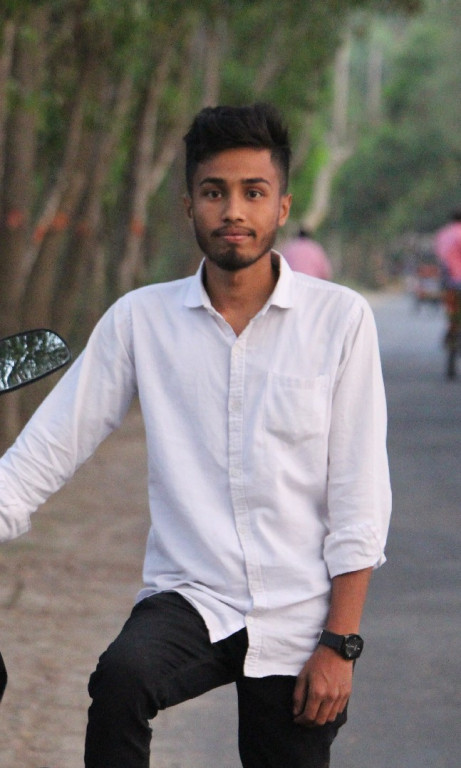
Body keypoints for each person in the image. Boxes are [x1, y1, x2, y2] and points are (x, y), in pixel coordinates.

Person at [0, 103, 391, 768]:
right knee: (121, 682)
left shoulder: (340, 321)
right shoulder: (139, 321)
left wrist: (340, 645)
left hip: (300, 613)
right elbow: (44, 454)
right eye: (214, 192)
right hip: (191, 598)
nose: (233, 211)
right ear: (189, 206)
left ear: (282, 205)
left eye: (253, 192)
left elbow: (359, 498)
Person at [434, 208, 461, 377]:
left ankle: (451, 334)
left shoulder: (442, 234)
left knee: (452, 315)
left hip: (448, 285)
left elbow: (440, 257)